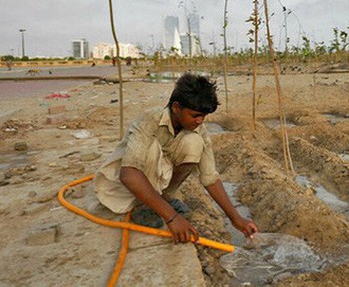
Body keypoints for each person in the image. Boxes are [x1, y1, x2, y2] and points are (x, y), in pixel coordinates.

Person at [94, 73, 258, 244]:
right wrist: (172, 217)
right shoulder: (149, 122)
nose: (200, 121)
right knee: (152, 150)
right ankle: (143, 206)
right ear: (176, 108)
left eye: (203, 116)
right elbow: (129, 175)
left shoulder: (199, 130)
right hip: (123, 188)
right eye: (195, 115)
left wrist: (236, 219)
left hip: (157, 183)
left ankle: (163, 200)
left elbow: (210, 177)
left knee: (194, 143)